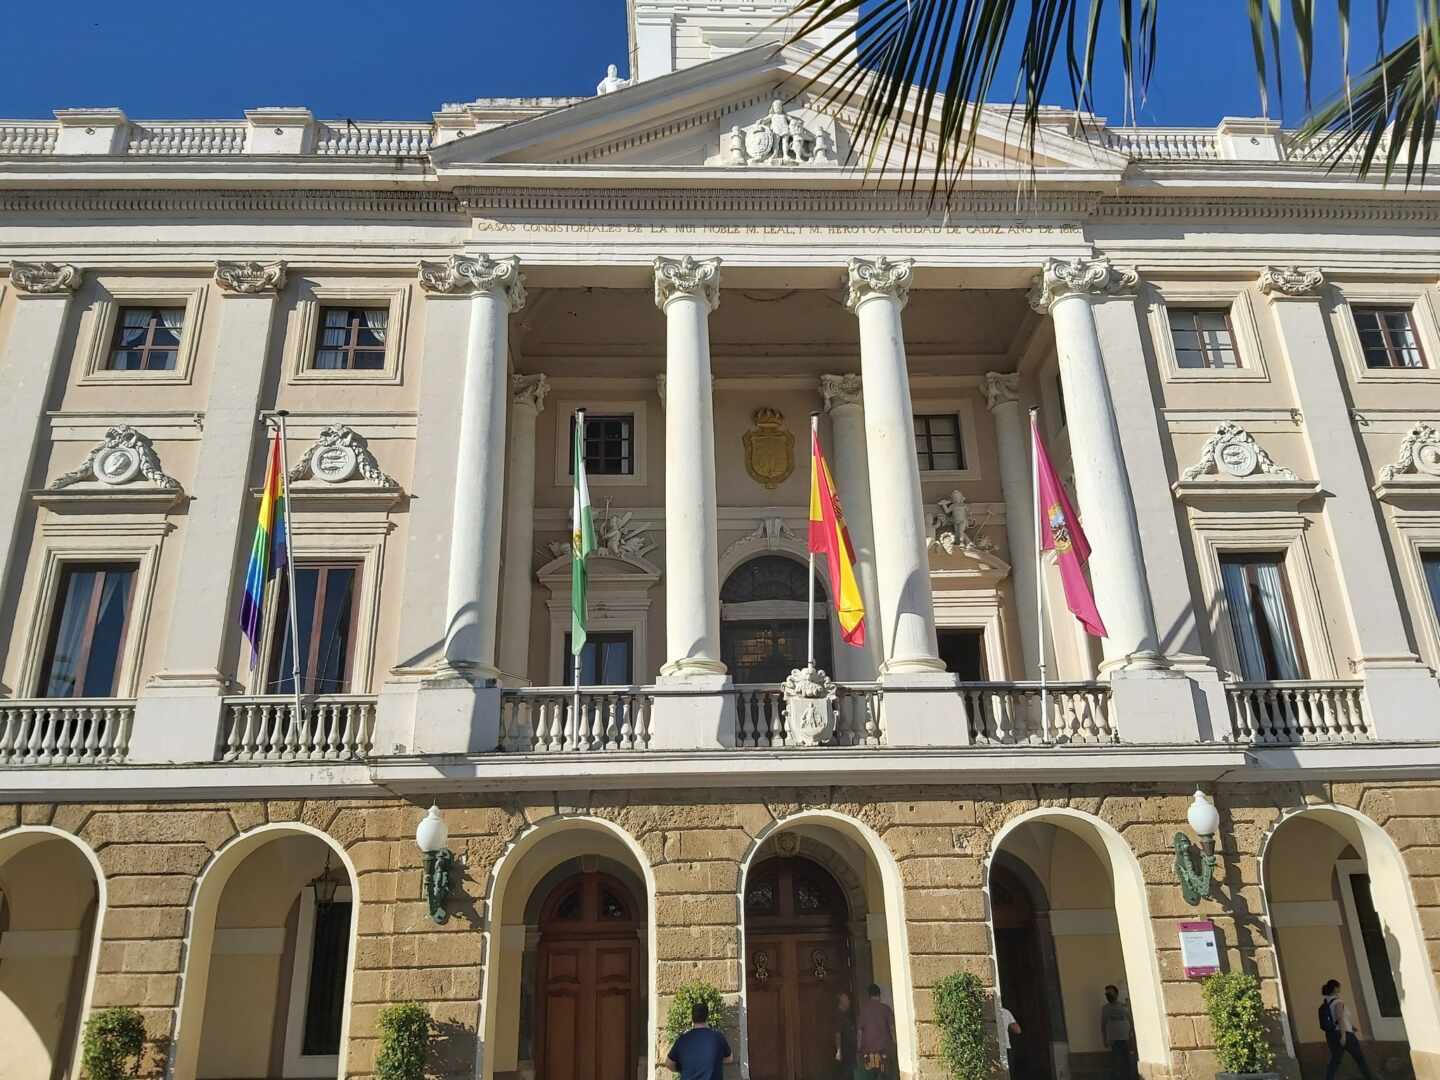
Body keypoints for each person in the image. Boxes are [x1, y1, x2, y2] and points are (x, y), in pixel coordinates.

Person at [1321, 979, 1378, 1080]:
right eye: (1339, 986)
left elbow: (1337, 1019)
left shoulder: (1327, 1002)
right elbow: (1340, 1018)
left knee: (1335, 1060)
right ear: (1335, 988)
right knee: (1360, 1058)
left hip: (1332, 1035)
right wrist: (1343, 1036)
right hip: (1345, 1034)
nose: (1340, 988)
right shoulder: (1338, 1002)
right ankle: (1370, 1077)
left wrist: (1351, 1026)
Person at [666, 1001, 733, 1080]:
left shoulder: (682, 1039)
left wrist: (682, 1069)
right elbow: (729, 1058)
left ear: (692, 1018)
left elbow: (669, 1063)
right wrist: (713, 1061)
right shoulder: (718, 1037)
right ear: (707, 1017)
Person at [857, 983, 896, 1080]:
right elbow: (892, 1028)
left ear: (869, 995)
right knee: (886, 1075)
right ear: (879, 994)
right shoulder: (886, 1009)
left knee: (871, 1076)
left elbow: (859, 1032)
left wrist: (858, 1048)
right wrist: (895, 1043)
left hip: (868, 1051)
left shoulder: (863, 1010)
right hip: (884, 1049)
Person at [1101, 985, 1135, 1080]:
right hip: (1114, 1041)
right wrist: (1104, 1039)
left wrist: (1132, 1037)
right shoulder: (1105, 1008)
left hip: (1126, 1039)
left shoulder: (1123, 1006)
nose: (1108, 995)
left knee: (1127, 1063)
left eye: (1110, 993)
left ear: (1116, 994)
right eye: (1106, 994)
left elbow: (1131, 1022)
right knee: (1117, 1064)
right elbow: (1103, 1025)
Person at [835, 990, 858, 1079]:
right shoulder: (839, 1015)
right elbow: (837, 1033)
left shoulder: (846, 1015)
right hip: (845, 1051)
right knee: (846, 1074)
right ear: (842, 1001)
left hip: (849, 1051)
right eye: (847, 1000)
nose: (849, 1002)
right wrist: (839, 1051)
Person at [998, 1005, 1023, 1079]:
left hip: (996, 1046)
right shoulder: (1005, 1012)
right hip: (1006, 1047)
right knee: (1008, 1073)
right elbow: (1018, 1030)